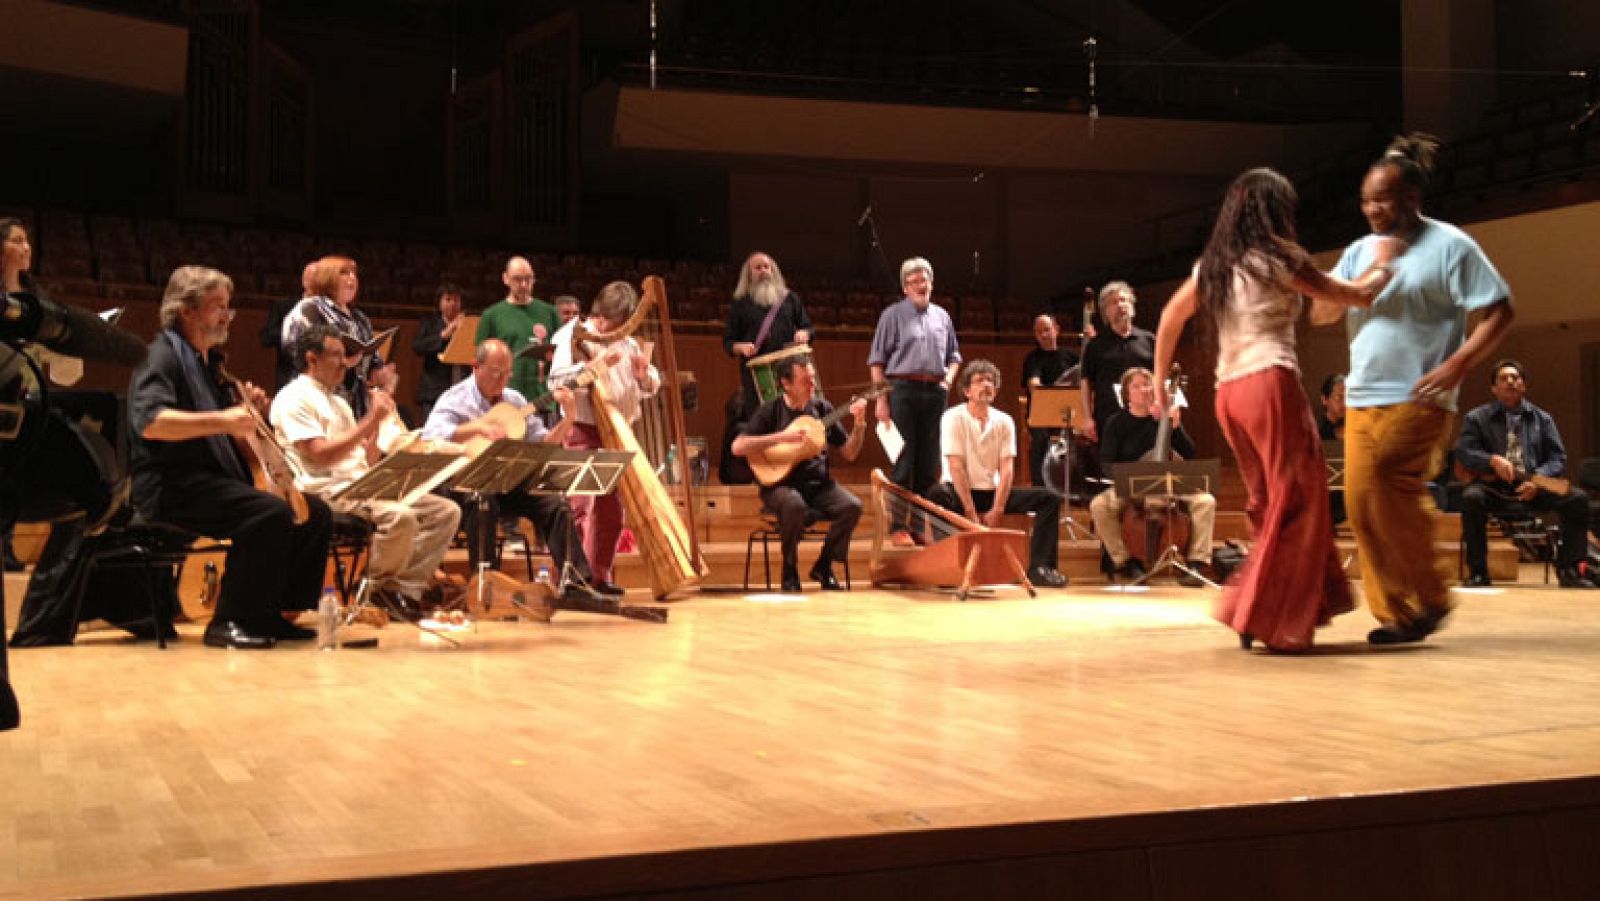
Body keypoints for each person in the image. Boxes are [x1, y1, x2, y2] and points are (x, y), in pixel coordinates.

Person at [1154, 167, 1402, 651]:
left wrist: (1162, 382)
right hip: (1270, 384)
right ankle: (1269, 615)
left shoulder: (1216, 265)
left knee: (1269, 501)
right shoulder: (1279, 259)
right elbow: (1355, 296)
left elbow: (1169, 317)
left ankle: (1259, 611)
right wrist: (1385, 264)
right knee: (1301, 499)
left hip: (1229, 396)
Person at [1311, 132, 1516, 645]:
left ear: (1412, 199)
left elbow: (1500, 310)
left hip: (1422, 396)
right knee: (1360, 506)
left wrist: (1461, 362)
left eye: (1382, 199)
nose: (1372, 209)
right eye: (1366, 201)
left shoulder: (1452, 246)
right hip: (1361, 399)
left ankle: (1433, 594)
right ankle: (1399, 614)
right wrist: (1365, 277)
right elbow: (1320, 313)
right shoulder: (1360, 251)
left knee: (1388, 482)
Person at [128, 266, 333, 649]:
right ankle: (230, 620)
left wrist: (247, 407)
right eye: (217, 306)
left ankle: (275, 612)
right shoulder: (161, 357)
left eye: (228, 307)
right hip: (172, 486)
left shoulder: (208, 366)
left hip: (211, 482)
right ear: (187, 310)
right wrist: (223, 419)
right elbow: (151, 423)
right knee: (267, 513)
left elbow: (230, 428)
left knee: (314, 512)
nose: (226, 315)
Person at [272, 325, 461, 611]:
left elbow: (365, 461)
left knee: (445, 511)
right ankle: (366, 591)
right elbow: (321, 455)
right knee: (401, 518)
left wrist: (381, 435)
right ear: (312, 359)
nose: (345, 362)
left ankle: (401, 591)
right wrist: (371, 421)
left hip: (361, 485)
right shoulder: (292, 397)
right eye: (336, 355)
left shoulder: (338, 401)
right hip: (325, 491)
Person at [421, 339, 603, 602]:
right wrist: (477, 428)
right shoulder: (455, 398)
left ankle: (575, 583)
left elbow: (543, 443)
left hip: (509, 482)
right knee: (482, 499)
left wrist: (569, 418)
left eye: (507, 373)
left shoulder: (515, 400)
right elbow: (431, 436)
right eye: (496, 373)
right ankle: (487, 587)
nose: (502, 380)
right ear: (476, 367)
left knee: (555, 502)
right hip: (465, 485)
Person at [547, 281, 660, 595]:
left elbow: (653, 382)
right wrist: (592, 369)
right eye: (614, 321)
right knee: (579, 505)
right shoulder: (573, 335)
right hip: (583, 428)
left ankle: (600, 575)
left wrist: (645, 377)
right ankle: (568, 576)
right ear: (603, 313)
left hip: (618, 431)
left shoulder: (628, 343)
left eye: (624, 322)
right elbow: (555, 382)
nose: (618, 328)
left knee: (612, 510)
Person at [731, 356, 866, 591]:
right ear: (786, 384)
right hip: (779, 485)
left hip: (820, 485)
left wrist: (860, 424)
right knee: (794, 504)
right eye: (806, 381)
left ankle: (823, 566)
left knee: (852, 506)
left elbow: (850, 453)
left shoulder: (823, 410)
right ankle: (790, 570)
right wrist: (782, 437)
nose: (813, 386)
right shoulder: (771, 411)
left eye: (813, 379)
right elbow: (738, 447)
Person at [929, 360, 1067, 587]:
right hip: (959, 491)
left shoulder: (1004, 421)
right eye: (979, 381)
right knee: (935, 494)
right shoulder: (953, 417)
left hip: (991, 492)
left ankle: (1041, 568)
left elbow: (1007, 468)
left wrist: (998, 508)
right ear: (966, 391)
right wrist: (970, 511)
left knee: (1049, 498)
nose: (986, 385)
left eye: (991, 381)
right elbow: (956, 466)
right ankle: (947, 567)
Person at [1456, 360, 1593, 589]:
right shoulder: (1476, 418)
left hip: (1534, 484)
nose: (1510, 381)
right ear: (1494, 388)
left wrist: (1538, 481)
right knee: (1471, 498)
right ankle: (1479, 572)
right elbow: (1465, 451)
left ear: (1524, 386)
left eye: (1516, 377)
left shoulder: (1543, 418)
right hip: (1494, 487)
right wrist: (1491, 460)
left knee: (1576, 498)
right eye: (1503, 378)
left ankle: (1570, 570)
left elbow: (1557, 457)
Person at [1088, 367, 1215, 585]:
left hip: (1170, 483)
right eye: (1137, 386)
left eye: (1148, 385)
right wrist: (1128, 478)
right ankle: (1126, 562)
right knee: (1099, 506)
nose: (1144, 390)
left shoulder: (1165, 419)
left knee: (1205, 501)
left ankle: (1196, 563)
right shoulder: (1116, 423)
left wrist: (1175, 428)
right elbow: (1106, 464)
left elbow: (1189, 453)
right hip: (1131, 485)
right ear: (1126, 394)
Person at [869, 257, 961, 546]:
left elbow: (955, 357)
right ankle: (898, 527)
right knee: (904, 463)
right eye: (915, 281)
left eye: (925, 280)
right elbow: (877, 362)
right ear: (905, 287)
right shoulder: (891, 315)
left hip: (935, 393)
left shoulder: (943, 317)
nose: (922, 285)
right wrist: (881, 401)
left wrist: (947, 381)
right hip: (902, 390)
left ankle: (920, 527)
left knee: (928, 465)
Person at [721, 252, 813, 484]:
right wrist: (740, 347)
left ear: (774, 270)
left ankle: (794, 476)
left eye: (767, 266)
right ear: (749, 274)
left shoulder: (790, 299)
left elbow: (809, 328)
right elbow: (728, 343)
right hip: (755, 378)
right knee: (761, 427)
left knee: (792, 422)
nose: (763, 271)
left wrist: (805, 333)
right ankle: (765, 477)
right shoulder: (741, 303)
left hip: (789, 374)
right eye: (757, 267)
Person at [280, 255, 394, 420]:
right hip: (320, 399)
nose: (352, 278)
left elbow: (371, 358)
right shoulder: (311, 308)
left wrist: (379, 372)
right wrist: (341, 362)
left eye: (354, 274)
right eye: (344, 273)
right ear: (327, 277)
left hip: (356, 404)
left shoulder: (360, 318)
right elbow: (294, 349)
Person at [1079, 280, 1155, 447]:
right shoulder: (1095, 345)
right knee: (1110, 469)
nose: (1120, 305)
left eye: (1124, 300)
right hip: (1107, 418)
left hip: (1145, 418)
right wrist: (1087, 418)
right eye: (1113, 302)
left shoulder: (1149, 340)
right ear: (1105, 312)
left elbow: (1160, 377)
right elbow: (1085, 383)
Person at [475, 256, 559, 404]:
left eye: (529, 279)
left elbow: (561, 352)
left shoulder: (550, 312)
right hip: (504, 396)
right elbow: (481, 359)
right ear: (505, 279)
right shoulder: (491, 315)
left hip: (543, 396)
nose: (524, 284)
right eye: (518, 279)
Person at [1020, 314, 1079, 487]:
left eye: (1046, 330)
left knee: (1081, 440)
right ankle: (1040, 488)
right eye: (1038, 332)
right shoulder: (1032, 358)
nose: (1043, 335)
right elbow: (1034, 386)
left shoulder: (1071, 357)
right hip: (1041, 413)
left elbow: (1084, 382)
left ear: (1056, 330)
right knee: (1040, 440)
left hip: (1068, 412)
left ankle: (1072, 487)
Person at [411, 283, 469, 423]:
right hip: (434, 391)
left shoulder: (468, 324)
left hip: (462, 389)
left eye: (456, 300)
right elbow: (417, 346)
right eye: (448, 299)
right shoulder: (429, 323)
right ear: (440, 303)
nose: (452, 304)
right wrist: (444, 335)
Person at [261, 262, 314, 392]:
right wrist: (296, 332)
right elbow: (266, 337)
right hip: (290, 378)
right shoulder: (285, 307)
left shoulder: (332, 311)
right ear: (304, 281)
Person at [1318, 373, 1348, 527]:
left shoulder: (1355, 431)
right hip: (1323, 498)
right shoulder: (1316, 431)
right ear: (1325, 399)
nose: (1345, 403)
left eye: (1349, 398)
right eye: (1339, 398)